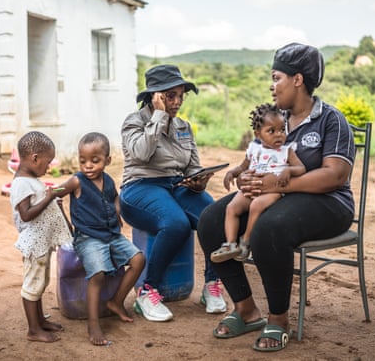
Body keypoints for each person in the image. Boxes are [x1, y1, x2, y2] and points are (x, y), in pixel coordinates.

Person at [197, 43, 355, 352]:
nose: (272, 86)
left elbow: (335, 175)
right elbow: (254, 161)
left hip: (329, 203)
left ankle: (278, 319)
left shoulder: (331, 120)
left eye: (276, 77)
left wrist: (275, 186)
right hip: (279, 198)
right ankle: (246, 310)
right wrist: (246, 177)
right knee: (210, 220)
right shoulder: (273, 120)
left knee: (271, 227)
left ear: (298, 80)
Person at [119, 64, 227, 322]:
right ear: (154, 96)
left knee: (215, 217)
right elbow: (142, 154)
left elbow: (192, 166)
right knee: (176, 223)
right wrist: (158, 117)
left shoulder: (184, 127)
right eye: (171, 96)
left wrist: (199, 181)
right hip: (140, 188)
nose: (178, 102)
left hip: (177, 186)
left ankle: (212, 285)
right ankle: (148, 291)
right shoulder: (134, 122)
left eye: (181, 95)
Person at [55, 132, 145, 346]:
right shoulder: (77, 181)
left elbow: (114, 196)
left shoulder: (108, 180)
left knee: (139, 260)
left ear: (107, 160)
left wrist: (116, 209)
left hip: (111, 234)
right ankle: (93, 323)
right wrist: (52, 193)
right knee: (98, 275)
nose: (88, 166)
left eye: (95, 161)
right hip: (88, 238)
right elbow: (60, 188)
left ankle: (116, 301)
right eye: (82, 160)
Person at [211, 103, 306, 263]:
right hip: (251, 190)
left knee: (256, 205)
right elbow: (243, 167)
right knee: (231, 207)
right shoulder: (254, 150)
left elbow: (301, 168)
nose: (279, 135)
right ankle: (230, 244)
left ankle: (246, 241)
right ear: (258, 134)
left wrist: (288, 171)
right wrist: (232, 173)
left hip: (273, 192)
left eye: (282, 130)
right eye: (271, 131)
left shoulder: (287, 150)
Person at [9, 131, 72, 343]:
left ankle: (40, 321)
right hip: (34, 244)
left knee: (40, 282)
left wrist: (53, 197)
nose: (49, 167)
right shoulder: (21, 184)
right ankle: (33, 330)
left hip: (41, 243)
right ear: (35, 158)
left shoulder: (31, 180)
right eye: (47, 162)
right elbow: (26, 215)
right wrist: (49, 198)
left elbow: (40, 203)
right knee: (32, 285)